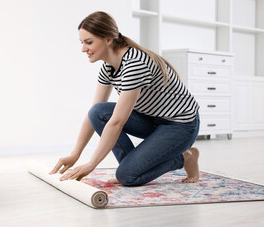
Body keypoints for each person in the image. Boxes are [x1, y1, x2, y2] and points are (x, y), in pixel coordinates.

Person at [49, 11, 200, 186]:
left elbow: (117, 122)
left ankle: (185, 157)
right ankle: (130, 169)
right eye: (82, 43)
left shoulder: (134, 64)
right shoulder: (109, 67)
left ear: (108, 39)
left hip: (180, 125)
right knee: (98, 112)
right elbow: (95, 113)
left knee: (127, 177)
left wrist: (91, 164)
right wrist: (75, 154)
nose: (83, 49)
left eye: (89, 42)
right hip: (153, 120)